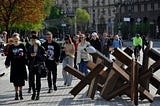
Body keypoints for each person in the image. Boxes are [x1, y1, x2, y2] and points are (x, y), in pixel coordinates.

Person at [5, 33, 27, 100]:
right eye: (15, 39)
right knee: (15, 81)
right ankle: (16, 94)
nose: (16, 40)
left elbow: (25, 54)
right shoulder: (11, 47)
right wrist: (7, 63)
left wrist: (24, 56)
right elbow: (9, 56)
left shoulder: (22, 45)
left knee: (21, 80)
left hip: (21, 66)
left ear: (19, 39)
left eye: (17, 39)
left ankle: (20, 92)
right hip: (14, 66)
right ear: (13, 40)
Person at [27, 34, 45, 100]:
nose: (33, 41)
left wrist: (37, 55)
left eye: (34, 39)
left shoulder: (41, 48)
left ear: (37, 40)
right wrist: (30, 56)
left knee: (38, 80)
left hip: (39, 66)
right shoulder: (29, 48)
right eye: (32, 40)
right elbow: (27, 57)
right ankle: (34, 92)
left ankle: (38, 94)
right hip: (31, 66)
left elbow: (44, 57)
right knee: (31, 80)